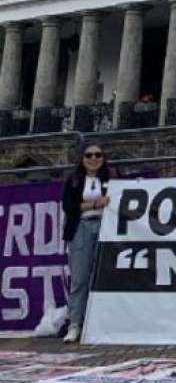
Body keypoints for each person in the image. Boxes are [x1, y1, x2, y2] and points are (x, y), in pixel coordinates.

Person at [60, 143, 114, 343]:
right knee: (80, 278)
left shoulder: (111, 178)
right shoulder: (74, 180)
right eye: (88, 155)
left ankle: (102, 322)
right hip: (81, 228)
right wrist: (94, 204)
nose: (93, 159)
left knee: (104, 277)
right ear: (82, 159)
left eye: (98, 155)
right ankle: (75, 323)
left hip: (105, 226)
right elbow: (68, 206)